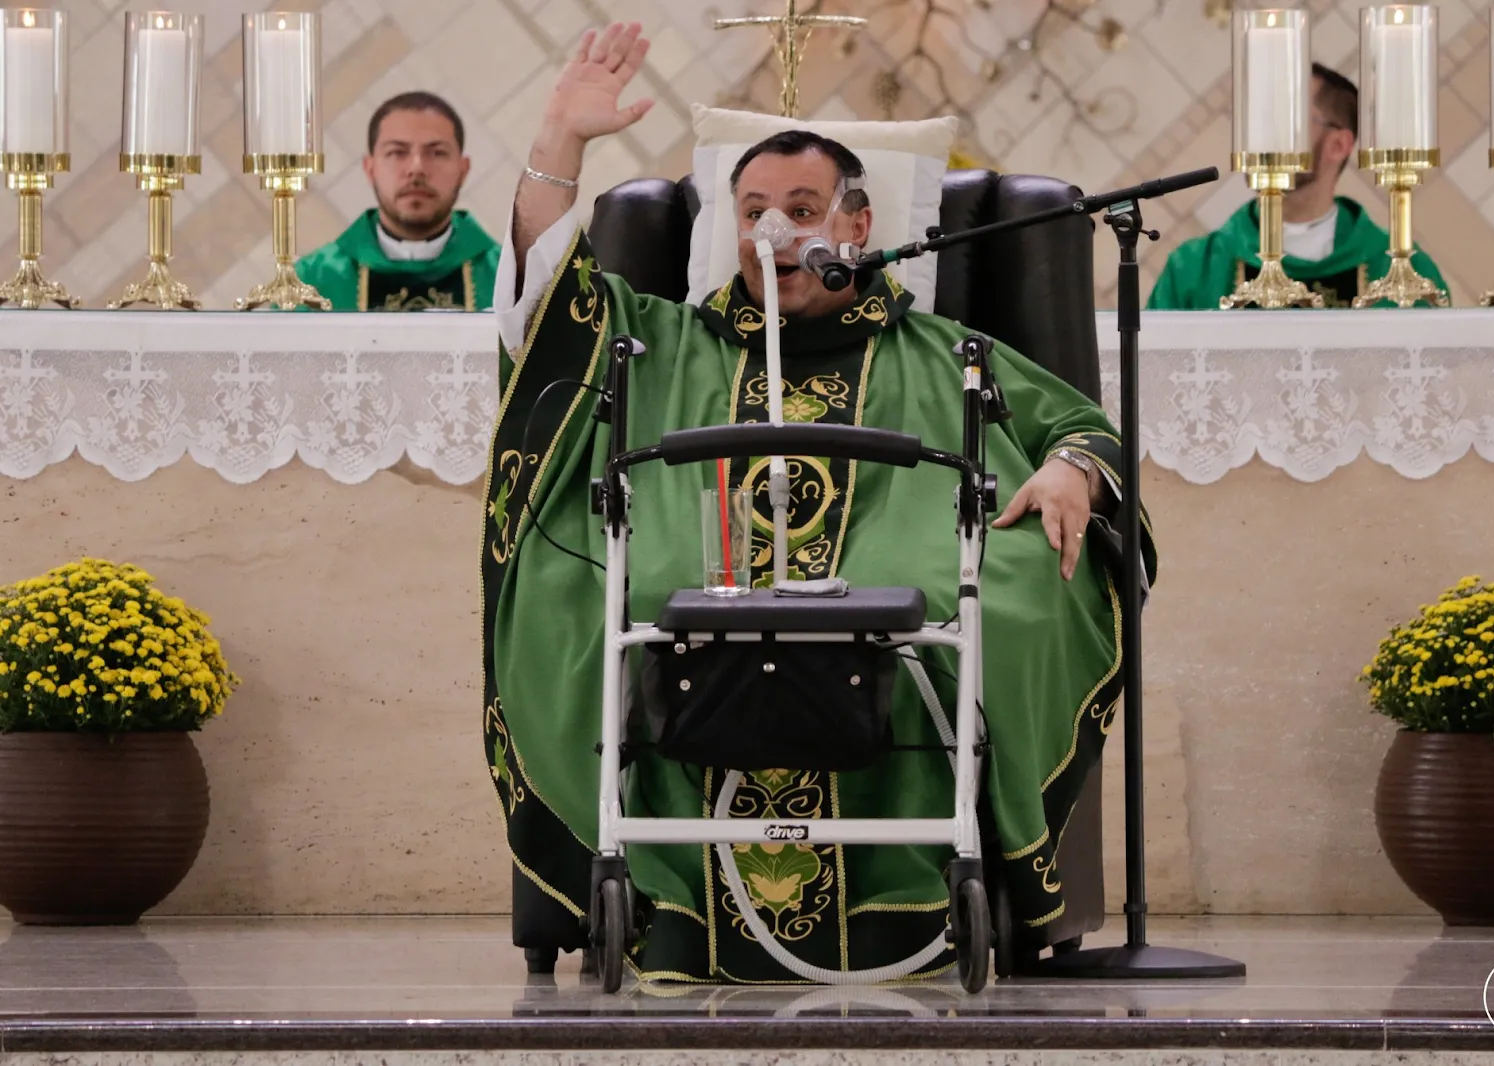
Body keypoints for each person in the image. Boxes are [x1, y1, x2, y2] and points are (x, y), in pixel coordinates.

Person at [481, 21, 1155, 983]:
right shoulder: (658, 340)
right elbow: (548, 303)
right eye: (753, 209)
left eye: (801, 209)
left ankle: (921, 889)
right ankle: (663, 891)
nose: (773, 231)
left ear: (857, 227)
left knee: (990, 595)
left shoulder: (947, 352)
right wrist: (559, 141)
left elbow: (1078, 426)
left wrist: (1070, 473)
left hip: (901, 565)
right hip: (696, 569)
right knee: (595, 592)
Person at [1148, 63, 1448, 310]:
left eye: (1285, 119)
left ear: (1338, 145)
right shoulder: (1194, 270)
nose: (1262, 136)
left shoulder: (1405, 274)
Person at [296, 92, 499, 311]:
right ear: (370, 168)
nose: (417, 168)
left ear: (463, 169)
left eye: (437, 153)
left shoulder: (509, 279)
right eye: (397, 152)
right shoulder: (311, 284)